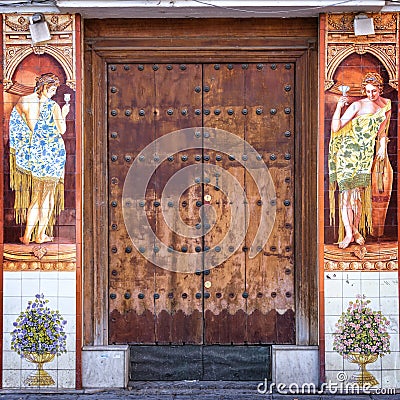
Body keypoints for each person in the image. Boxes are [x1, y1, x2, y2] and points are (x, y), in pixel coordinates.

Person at [329, 72, 391, 249]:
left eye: (374, 91)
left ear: (380, 89)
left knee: (358, 197)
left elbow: (382, 130)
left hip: (365, 155)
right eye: (368, 91)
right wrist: (339, 107)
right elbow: (336, 127)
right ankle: (349, 233)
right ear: (364, 90)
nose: (371, 95)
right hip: (347, 153)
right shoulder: (357, 105)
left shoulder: (386, 104)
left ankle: (355, 230)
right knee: (346, 196)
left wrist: (382, 145)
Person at [9, 73, 70, 245]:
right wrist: (64, 113)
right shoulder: (54, 107)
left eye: (55, 90)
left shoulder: (30, 103)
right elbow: (62, 130)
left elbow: (21, 125)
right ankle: (40, 235)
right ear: (43, 87)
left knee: (36, 197)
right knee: (48, 198)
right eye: (51, 89)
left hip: (36, 155)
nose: (53, 92)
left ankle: (27, 235)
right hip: (53, 156)